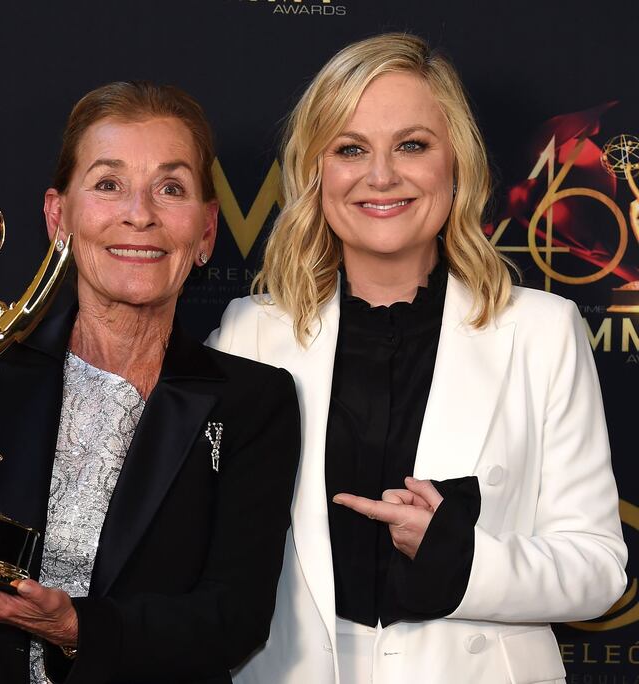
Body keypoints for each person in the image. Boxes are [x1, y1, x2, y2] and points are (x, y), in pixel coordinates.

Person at [208, 33, 628, 684]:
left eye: (412, 145)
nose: (381, 176)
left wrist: (462, 559)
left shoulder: (543, 331)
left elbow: (598, 569)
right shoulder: (248, 333)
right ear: (317, 172)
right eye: (351, 149)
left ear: (454, 163)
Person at [0, 82, 301, 684]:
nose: (139, 213)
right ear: (58, 217)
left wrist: (75, 627)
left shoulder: (253, 400)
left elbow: (234, 621)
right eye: (108, 184)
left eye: (170, 188)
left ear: (205, 233)